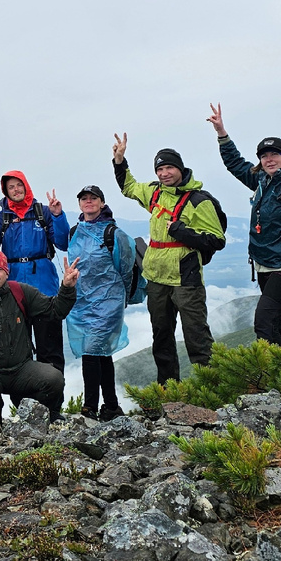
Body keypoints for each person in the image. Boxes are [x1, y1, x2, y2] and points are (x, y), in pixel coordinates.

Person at [112, 134, 226, 384]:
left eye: (169, 167)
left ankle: (214, 389)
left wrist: (180, 231)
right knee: (161, 337)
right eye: (160, 169)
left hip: (186, 277)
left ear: (180, 168)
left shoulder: (199, 200)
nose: (164, 173)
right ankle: (168, 390)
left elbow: (216, 239)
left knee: (197, 336)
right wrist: (119, 161)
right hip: (156, 277)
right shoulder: (154, 193)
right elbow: (129, 188)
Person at [208, 104, 281, 344]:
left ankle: (270, 376)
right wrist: (222, 133)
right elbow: (236, 164)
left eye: (274, 154)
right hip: (265, 266)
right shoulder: (262, 181)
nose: (269, 159)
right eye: (264, 156)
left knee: (264, 322)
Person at [0, 249, 79, 424]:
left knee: (54, 379)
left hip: (21, 368)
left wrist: (67, 288)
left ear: (7, 272)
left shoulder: (20, 292)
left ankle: (40, 415)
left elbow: (55, 311)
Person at [0, 171, 70, 370]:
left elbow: (63, 242)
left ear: (26, 186)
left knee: (50, 348)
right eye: (11, 187)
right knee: (19, 349)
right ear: (6, 191)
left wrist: (57, 216)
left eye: (19, 185)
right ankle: (25, 397)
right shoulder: (1, 218)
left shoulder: (42, 212)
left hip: (45, 287)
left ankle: (53, 395)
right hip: (14, 290)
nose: (16, 190)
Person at [66, 185, 134, 420]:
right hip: (83, 302)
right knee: (102, 353)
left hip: (109, 302)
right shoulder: (75, 230)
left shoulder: (113, 233)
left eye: (93, 198)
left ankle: (89, 407)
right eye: (84, 198)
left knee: (91, 350)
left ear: (102, 203)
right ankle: (112, 405)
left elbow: (126, 269)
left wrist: (120, 300)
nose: (88, 202)